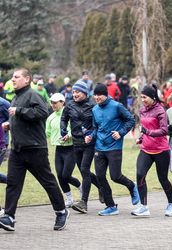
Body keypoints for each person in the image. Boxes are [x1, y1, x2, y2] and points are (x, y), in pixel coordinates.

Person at [0, 68, 69, 232]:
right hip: (17, 149)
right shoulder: (16, 97)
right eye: (13, 77)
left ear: (27, 79)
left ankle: (61, 211)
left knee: (47, 182)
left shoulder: (33, 94)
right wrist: (10, 124)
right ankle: (9, 217)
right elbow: (21, 117)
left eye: (16, 77)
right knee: (13, 183)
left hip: (35, 149)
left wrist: (20, 111)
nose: (13, 79)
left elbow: (42, 112)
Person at [85, 83, 139, 216]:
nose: (96, 97)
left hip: (114, 147)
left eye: (99, 95)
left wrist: (120, 132)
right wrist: (91, 136)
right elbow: (96, 128)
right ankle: (111, 206)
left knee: (115, 176)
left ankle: (132, 186)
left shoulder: (117, 106)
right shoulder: (95, 110)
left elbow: (131, 121)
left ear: (106, 94)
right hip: (99, 147)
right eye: (95, 95)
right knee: (100, 177)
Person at [131, 84, 172, 217]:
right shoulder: (142, 110)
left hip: (161, 150)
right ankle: (144, 207)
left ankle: (171, 204)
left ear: (152, 97)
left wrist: (148, 132)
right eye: (141, 97)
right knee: (140, 175)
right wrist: (141, 138)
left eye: (145, 97)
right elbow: (144, 128)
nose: (143, 100)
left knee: (163, 179)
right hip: (146, 148)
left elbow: (164, 130)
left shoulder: (160, 110)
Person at [61, 80, 103, 214]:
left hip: (89, 143)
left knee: (84, 169)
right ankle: (102, 187)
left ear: (85, 93)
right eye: (73, 91)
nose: (74, 94)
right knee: (85, 172)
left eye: (77, 92)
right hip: (76, 143)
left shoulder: (93, 105)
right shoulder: (69, 105)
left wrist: (92, 133)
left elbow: (98, 123)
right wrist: (63, 129)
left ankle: (83, 202)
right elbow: (64, 118)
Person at [46, 93, 81, 208]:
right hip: (59, 149)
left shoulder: (69, 115)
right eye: (52, 102)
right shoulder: (50, 117)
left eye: (55, 102)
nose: (53, 105)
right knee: (60, 176)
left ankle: (82, 189)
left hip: (71, 148)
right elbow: (47, 133)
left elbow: (75, 128)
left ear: (62, 102)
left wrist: (69, 135)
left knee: (66, 175)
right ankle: (69, 199)